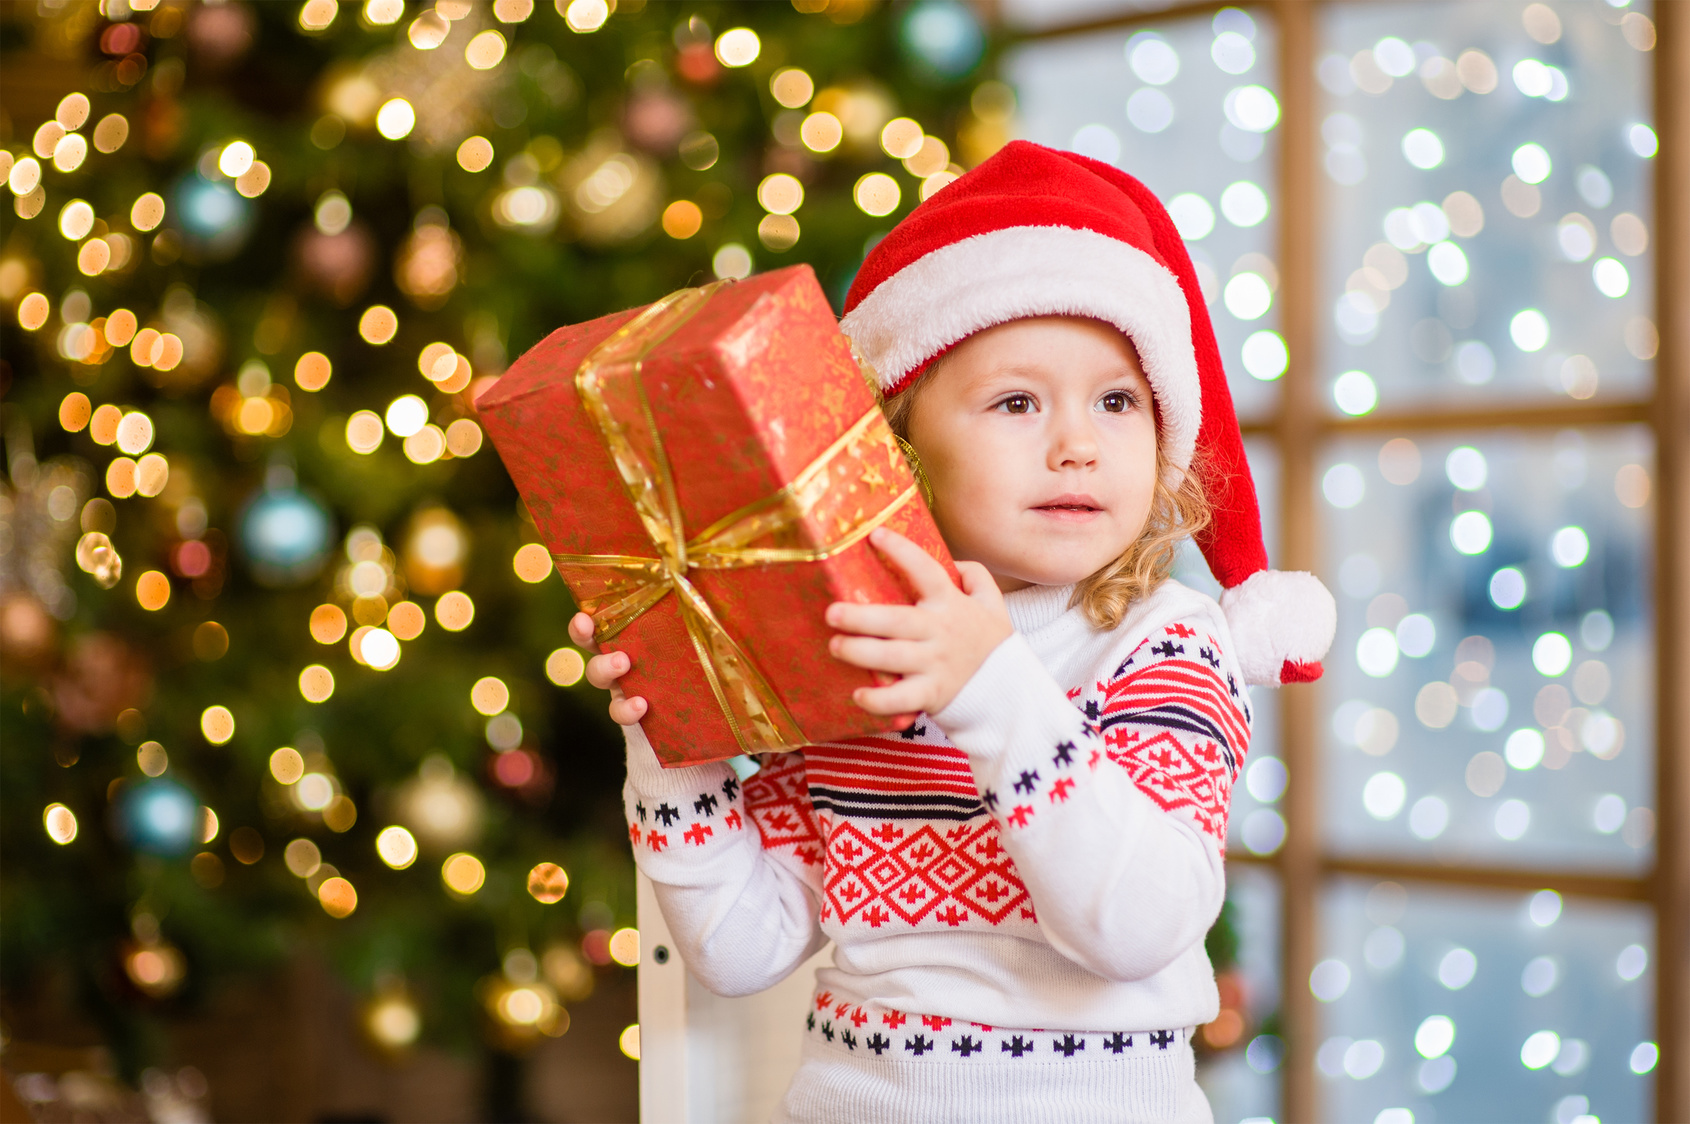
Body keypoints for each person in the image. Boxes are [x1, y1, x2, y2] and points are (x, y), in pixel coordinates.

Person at [569, 141, 1335, 1123]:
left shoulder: (1167, 649)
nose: (1077, 441)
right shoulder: (868, 657)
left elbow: (1141, 922)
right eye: (1016, 401)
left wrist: (988, 685)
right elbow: (739, 944)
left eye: (1117, 399)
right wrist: (668, 731)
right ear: (897, 451)